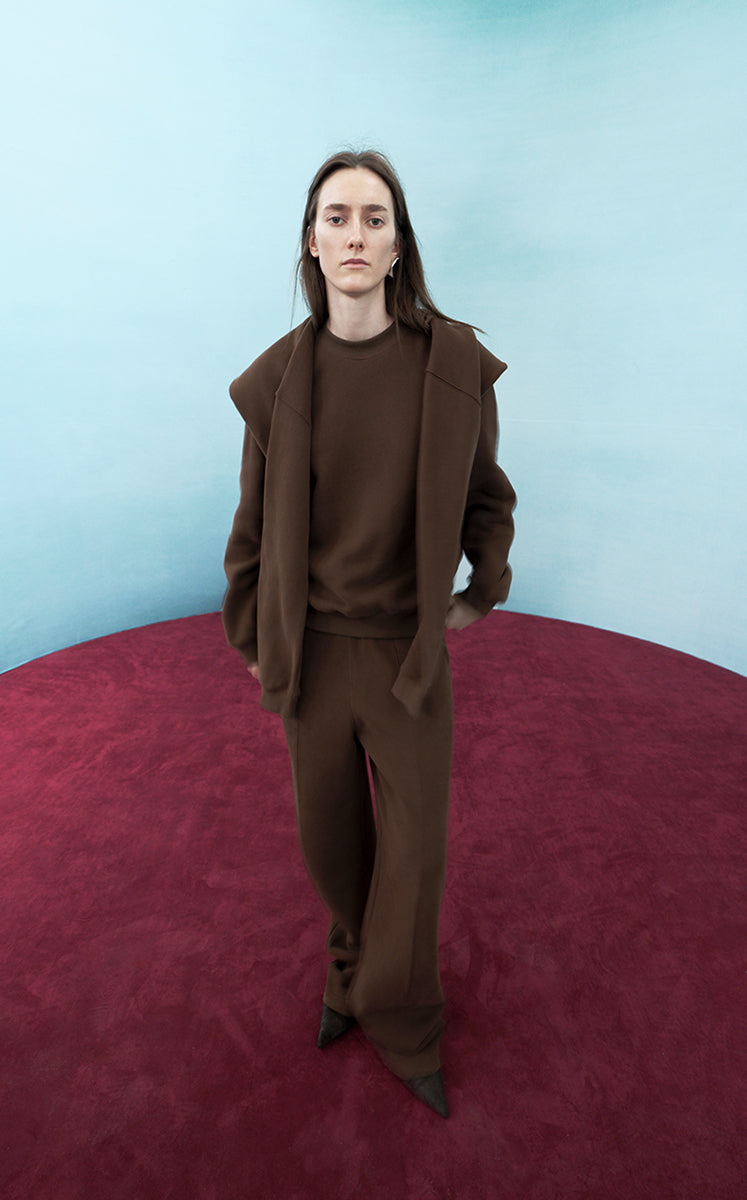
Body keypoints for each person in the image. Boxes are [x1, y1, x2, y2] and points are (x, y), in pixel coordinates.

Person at [222, 149, 516, 1118]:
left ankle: (405, 1019)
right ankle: (349, 968)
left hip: (405, 659)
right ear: (312, 243)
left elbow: (488, 496)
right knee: (332, 843)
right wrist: (252, 634)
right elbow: (252, 525)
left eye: (374, 218)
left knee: (415, 855)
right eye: (337, 217)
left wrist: (481, 589)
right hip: (312, 653)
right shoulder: (276, 381)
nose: (355, 234)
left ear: (398, 246)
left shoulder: (454, 367)